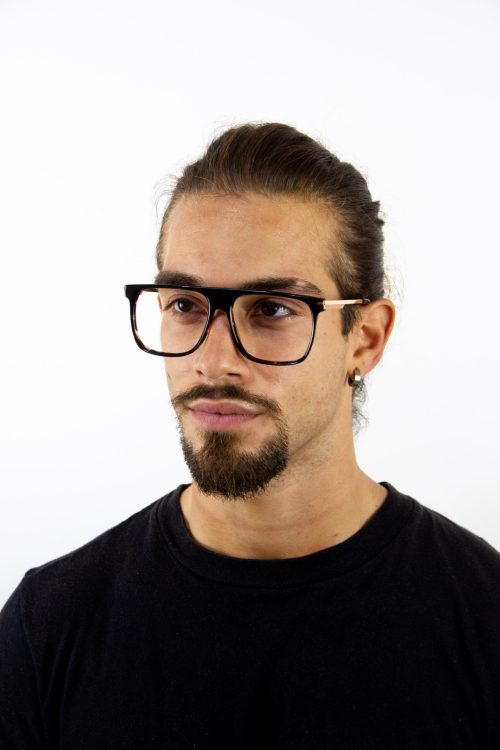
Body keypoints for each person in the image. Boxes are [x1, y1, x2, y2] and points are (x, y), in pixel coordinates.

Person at [1, 122, 499, 749]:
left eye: (272, 309)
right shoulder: (48, 627)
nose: (213, 362)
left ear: (365, 339)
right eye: (186, 305)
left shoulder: (483, 619)